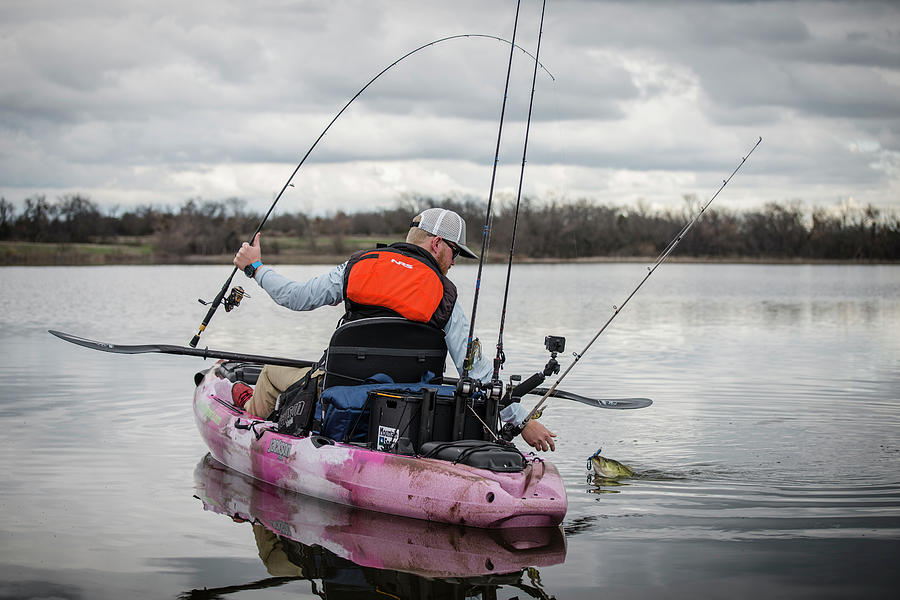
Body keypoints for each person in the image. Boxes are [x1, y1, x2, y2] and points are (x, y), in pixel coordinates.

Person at [233, 207, 556, 452]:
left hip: (340, 397)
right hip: (408, 410)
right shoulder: (445, 296)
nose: (455, 262)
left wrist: (255, 268)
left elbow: (296, 297)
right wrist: (521, 421)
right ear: (437, 243)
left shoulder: (357, 267)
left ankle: (246, 433)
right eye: (455, 252)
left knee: (272, 371)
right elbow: (476, 369)